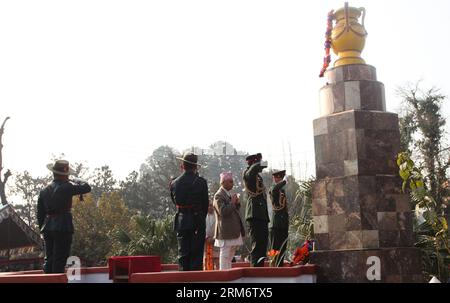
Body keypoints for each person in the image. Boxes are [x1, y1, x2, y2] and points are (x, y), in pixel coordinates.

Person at [37, 160, 91, 273]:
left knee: (49, 259)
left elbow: (40, 214)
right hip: (63, 226)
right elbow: (87, 187)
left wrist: (42, 229)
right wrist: (78, 180)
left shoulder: (44, 191)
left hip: (47, 227)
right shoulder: (67, 187)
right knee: (59, 259)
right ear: (65, 175)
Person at [170, 152, 209, 271]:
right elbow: (205, 205)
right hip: (197, 221)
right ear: (195, 166)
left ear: (182, 165)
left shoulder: (174, 183)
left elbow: (174, 201)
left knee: (183, 255)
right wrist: (201, 218)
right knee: (196, 257)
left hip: (181, 221)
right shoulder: (201, 182)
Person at [213, 172, 245, 270]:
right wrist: (232, 202)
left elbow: (233, 210)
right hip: (226, 231)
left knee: (230, 256)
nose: (233, 184)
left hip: (233, 230)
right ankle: (224, 277)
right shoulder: (218, 195)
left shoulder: (228, 194)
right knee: (225, 255)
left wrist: (236, 203)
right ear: (223, 182)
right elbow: (223, 211)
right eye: (230, 181)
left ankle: (228, 275)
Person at [243, 153, 269, 267]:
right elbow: (253, 170)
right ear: (253, 163)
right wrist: (257, 163)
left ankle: (260, 269)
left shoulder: (257, 177)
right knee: (257, 246)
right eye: (258, 163)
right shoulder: (248, 174)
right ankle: (255, 271)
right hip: (254, 214)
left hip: (261, 215)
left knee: (263, 245)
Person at [269, 170, 289, 267]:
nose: (277, 179)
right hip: (276, 223)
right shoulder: (274, 188)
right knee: (275, 247)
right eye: (277, 178)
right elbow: (274, 190)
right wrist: (284, 182)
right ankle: (274, 265)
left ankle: (279, 265)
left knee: (283, 247)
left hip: (283, 223)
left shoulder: (282, 190)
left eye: (280, 178)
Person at [204, 202, 219, 270]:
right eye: (208, 206)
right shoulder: (203, 216)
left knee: (217, 261)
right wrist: (206, 237)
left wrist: (214, 238)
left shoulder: (217, 216)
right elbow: (201, 228)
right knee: (207, 261)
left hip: (216, 242)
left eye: (211, 205)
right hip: (206, 242)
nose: (209, 207)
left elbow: (220, 228)